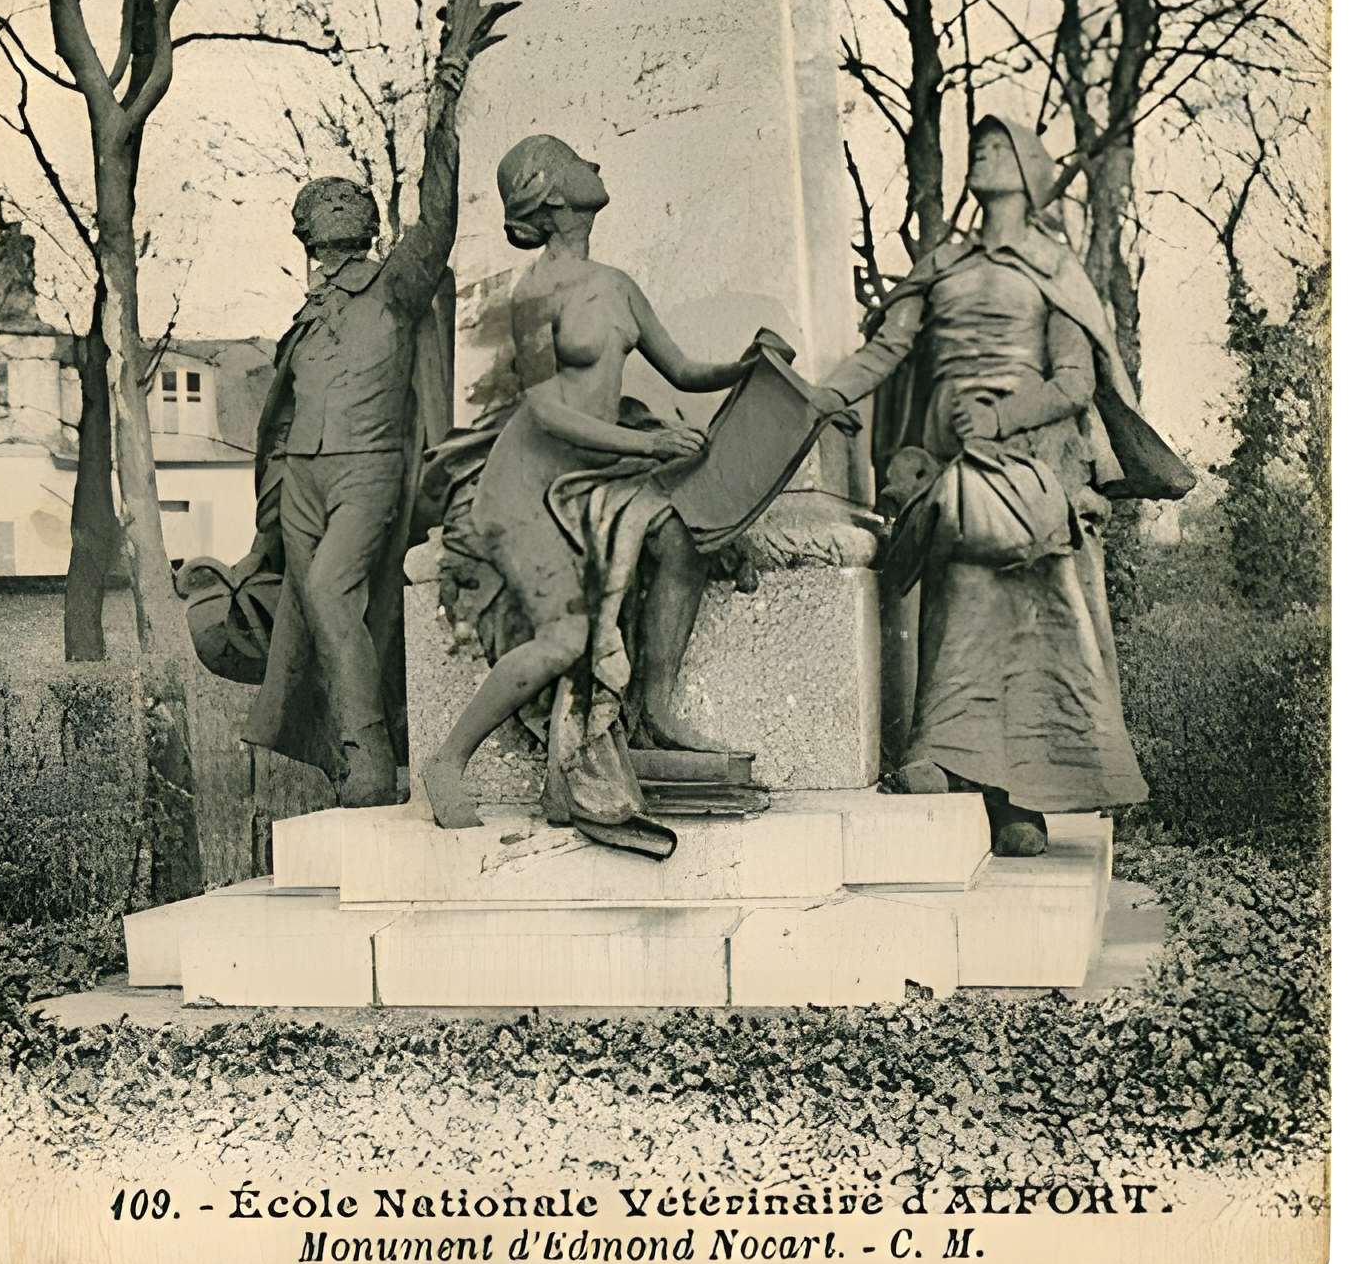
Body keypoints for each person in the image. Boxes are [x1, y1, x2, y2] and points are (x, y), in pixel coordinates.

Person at [820, 115, 1193, 857]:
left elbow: (1076, 380)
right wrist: (817, 398)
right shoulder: (942, 267)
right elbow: (888, 351)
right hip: (957, 466)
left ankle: (1024, 802)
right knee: (960, 612)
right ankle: (956, 765)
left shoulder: (1054, 268)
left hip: (1036, 468)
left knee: (1040, 639)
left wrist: (1002, 415)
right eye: (977, 144)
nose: (984, 151)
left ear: (1030, 171)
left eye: (1001, 145)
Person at [421, 134, 806, 851]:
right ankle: (447, 762)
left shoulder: (620, 285)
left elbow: (686, 371)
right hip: (526, 489)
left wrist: (745, 364)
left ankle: (656, 707)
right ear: (551, 193)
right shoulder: (535, 294)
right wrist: (649, 444)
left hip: (593, 476)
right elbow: (545, 410)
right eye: (577, 161)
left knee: (679, 530)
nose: (595, 165)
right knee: (565, 637)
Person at [233, 0, 510, 806]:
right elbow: (278, 415)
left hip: (364, 472)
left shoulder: (391, 286)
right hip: (304, 480)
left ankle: (371, 756)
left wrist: (447, 95)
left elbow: (439, 217)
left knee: (328, 594)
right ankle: (352, 755)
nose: (327, 242)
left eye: (336, 225)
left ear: (355, 231)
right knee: (307, 607)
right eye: (319, 230)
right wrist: (272, 501)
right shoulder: (305, 316)